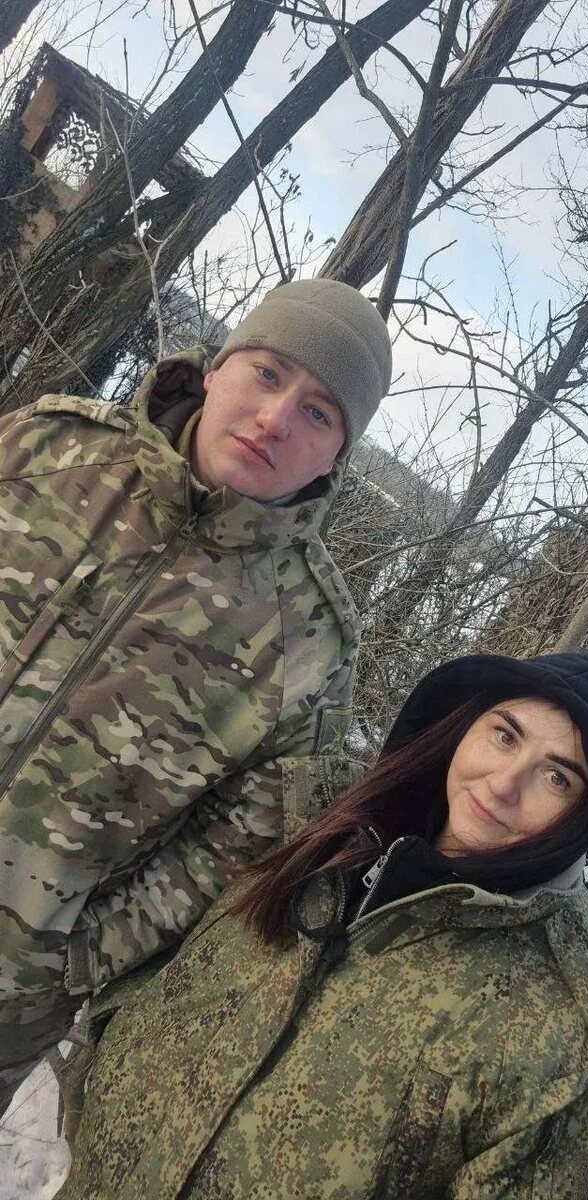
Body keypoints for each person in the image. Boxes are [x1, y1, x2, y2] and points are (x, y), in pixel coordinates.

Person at [0, 278, 392, 1114]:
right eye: (267, 372)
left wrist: (68, 958)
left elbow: (232, 851)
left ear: (335, 456)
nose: (275, 419)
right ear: (217, 369)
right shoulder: (50, 446)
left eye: (319, 413)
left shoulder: (310, 645)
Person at [59, 650, 588, 1200]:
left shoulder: (581, 1038)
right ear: (467, 721)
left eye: (556, 777)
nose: (503, 783)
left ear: (587, 817)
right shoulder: (319, 814)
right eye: (505, 735)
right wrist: (110, 1050)